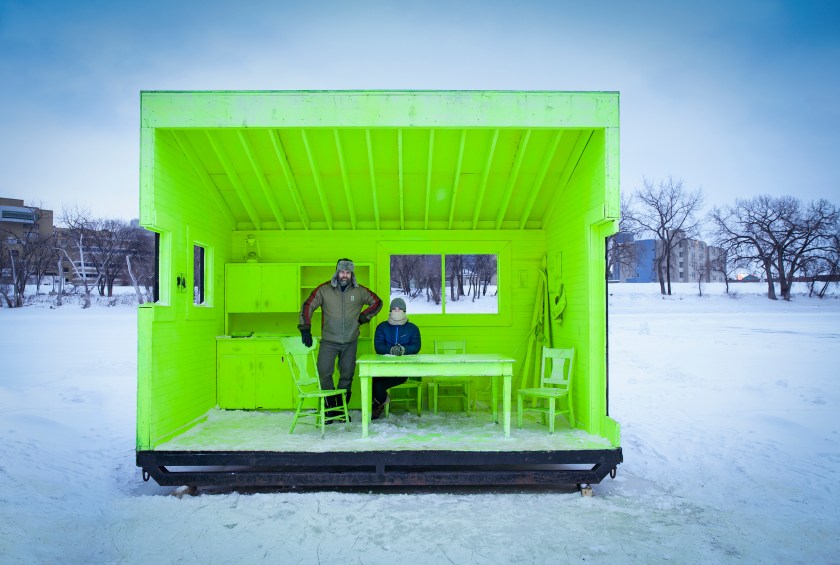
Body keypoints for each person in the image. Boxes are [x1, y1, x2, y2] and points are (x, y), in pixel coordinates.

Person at [298, 258, 382, 420]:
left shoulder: (359, 291)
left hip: (350, 341)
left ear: (352, 274)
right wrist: (305, 328)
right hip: (329, 340)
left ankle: (341, 410)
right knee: (324, 372)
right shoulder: (324, 290)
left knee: (346, 375)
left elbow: (377, 302)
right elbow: (308, 305)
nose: (345, 275)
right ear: (337, 272)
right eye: (342, 272)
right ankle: (330, 408)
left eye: (348, 272)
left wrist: (365, 317)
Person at [371, 297, 422, 420]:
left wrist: (404, 350)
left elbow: (416, 346)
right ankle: (381, 402)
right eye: (394, 309)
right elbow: (378, 345)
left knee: (379, 387)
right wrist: (390, 350)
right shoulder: (382, 327)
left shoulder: (413, 328)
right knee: (374, 383)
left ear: (405, 311)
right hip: (383, 368)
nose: (397, 311)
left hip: (402, 370)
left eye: (400, 309)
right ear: (390, 311)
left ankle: (378, 404)